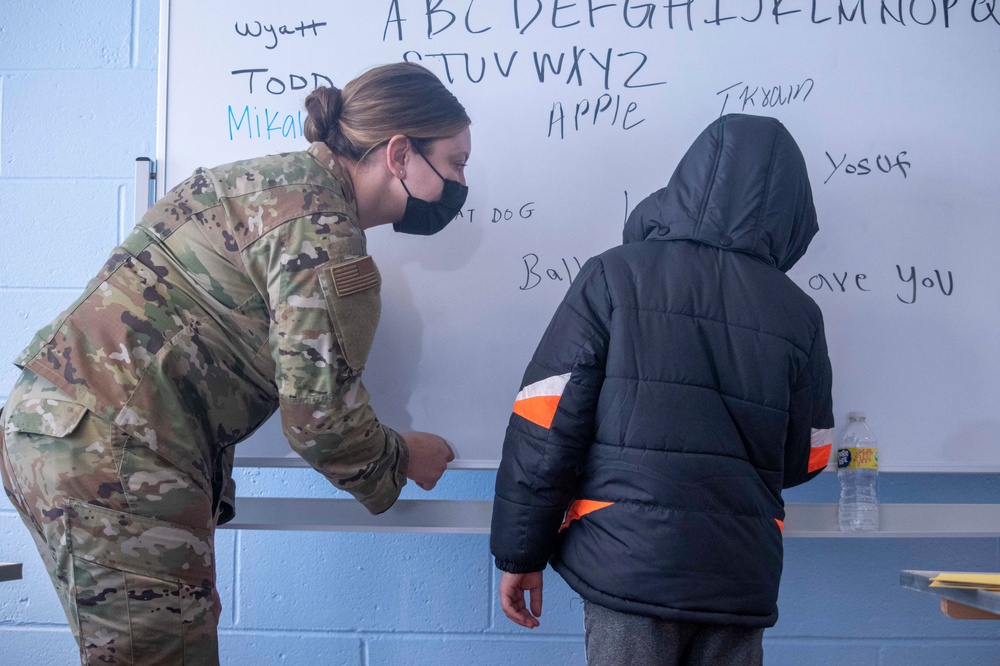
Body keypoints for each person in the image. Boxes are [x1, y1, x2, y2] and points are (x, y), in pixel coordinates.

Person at [0, 62, 467, 665]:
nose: (460, 183)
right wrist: (401, 458)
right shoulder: (323, 232)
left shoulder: (255, 181)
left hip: (61, 432)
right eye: (455, 163)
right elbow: (319, 421)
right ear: (400, 153)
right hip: (117, 457)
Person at [490, 114, 834, 665]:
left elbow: (545, 421)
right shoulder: (800, 315)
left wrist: (519, 551)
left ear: (686, 184)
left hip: (625, 561)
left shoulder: (613, 276)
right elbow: (807, 458)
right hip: (737, 573)